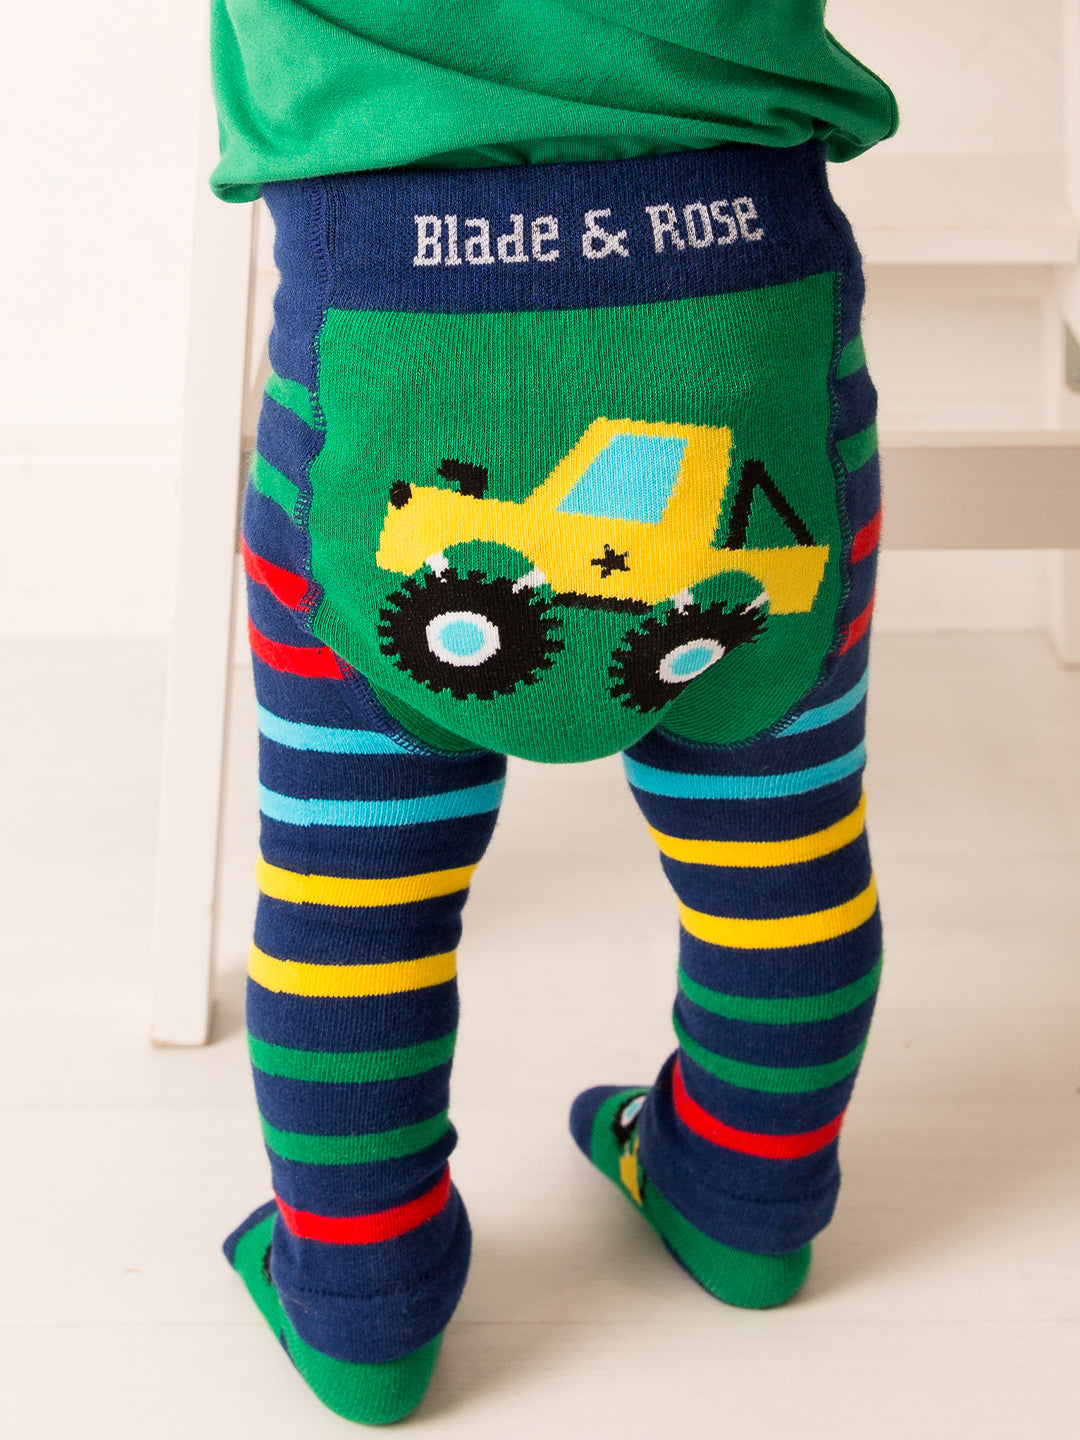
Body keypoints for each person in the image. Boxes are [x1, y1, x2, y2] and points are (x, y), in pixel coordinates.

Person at [210, 1, 897, 1424]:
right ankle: (751, 1205)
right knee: (785, 847)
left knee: (350, 883)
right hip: (753, 313)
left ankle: (361, 1301)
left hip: (386, 319)